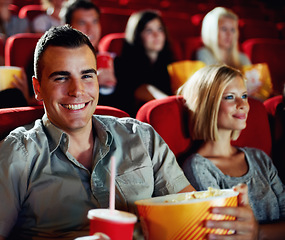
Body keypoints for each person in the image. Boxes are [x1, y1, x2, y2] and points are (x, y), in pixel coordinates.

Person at [0, 25, 194, 240]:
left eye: (86, 76)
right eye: (61, 78)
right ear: (37, 88)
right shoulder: (18, 153)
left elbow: (193, 218)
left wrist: (230, 222)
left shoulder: (142, 136)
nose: (77, 91)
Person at [178, 64, 285, 239]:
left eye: (244, 95)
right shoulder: (198, 167)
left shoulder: (259, 157)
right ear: (207, 105)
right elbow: (224, 232)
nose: (243, 104)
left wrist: (258, 233)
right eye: (230, 97)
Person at [114, 10, 174, 117]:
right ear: (137, 35)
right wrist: (172, 104)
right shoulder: (123, 63)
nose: (157, 35)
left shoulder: (169, 61)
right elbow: (140, 91)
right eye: (149, 30)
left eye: (160, 29)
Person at [60, 0, 117, 107]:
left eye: (94, 22)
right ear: (67, 27)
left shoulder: (114, 62)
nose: (91, 29)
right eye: (82, 23)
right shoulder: (50, 59)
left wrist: (113, 86)